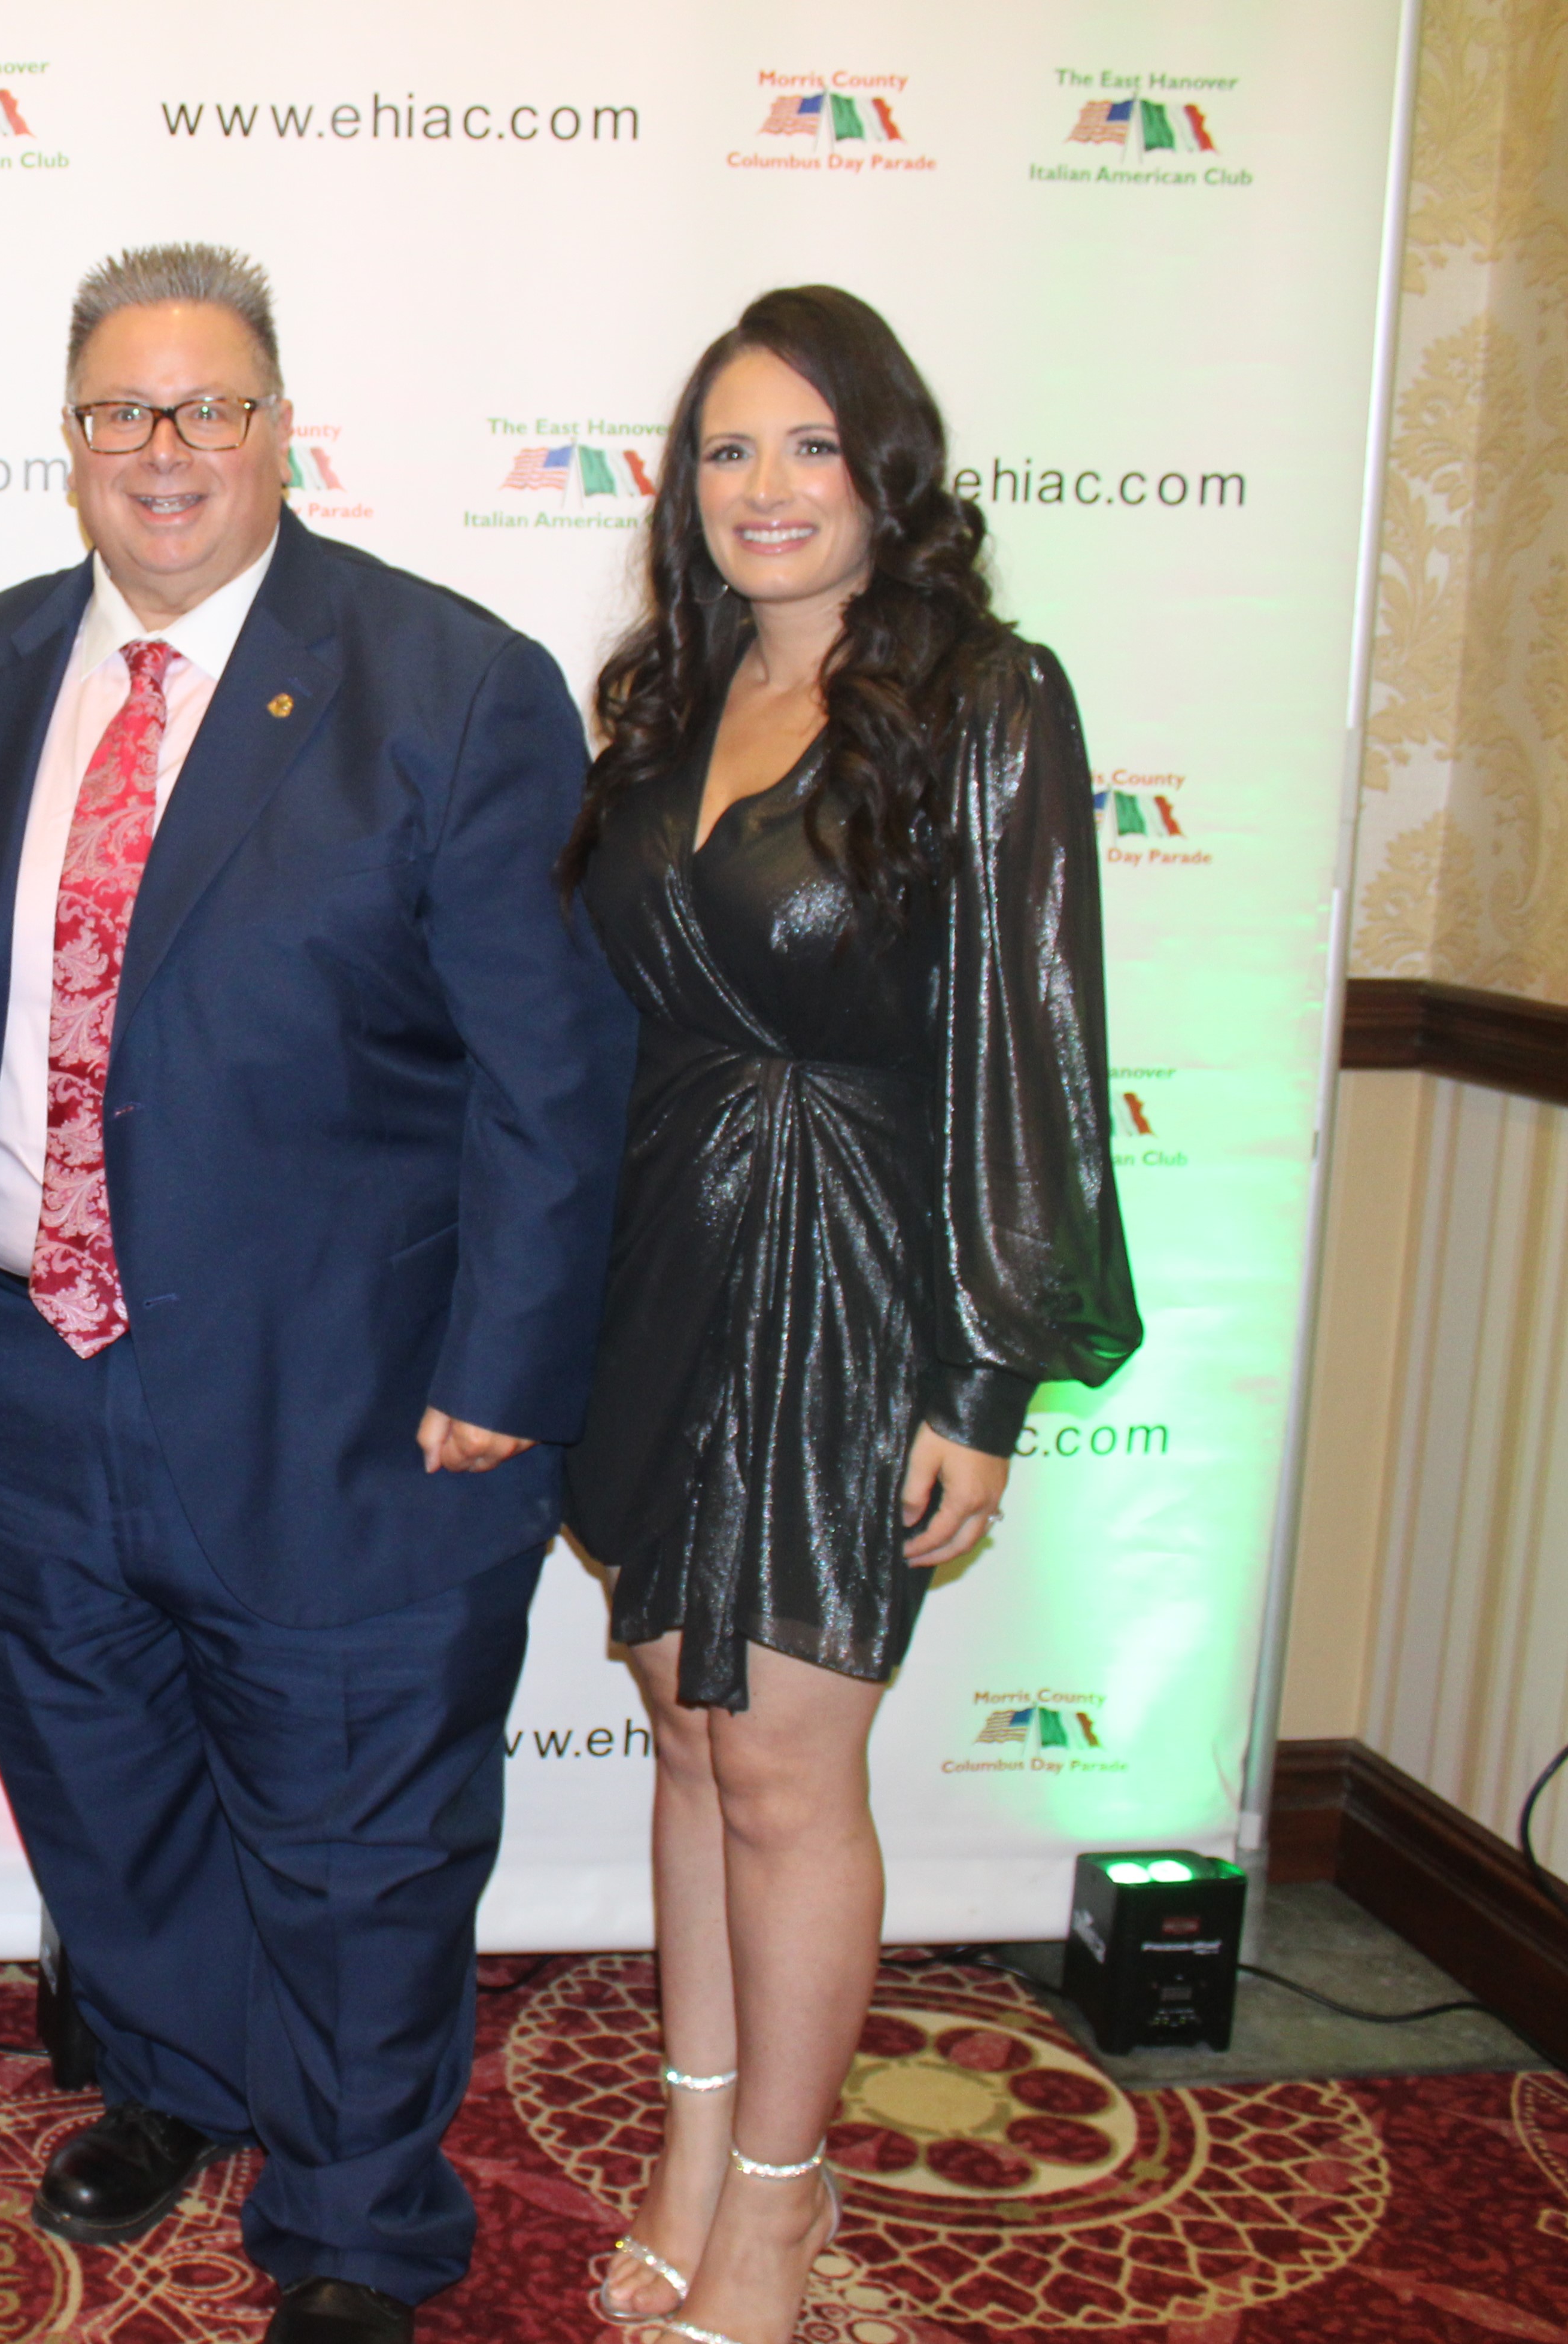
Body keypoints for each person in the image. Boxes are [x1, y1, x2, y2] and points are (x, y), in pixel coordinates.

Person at [0, 245, 636, 2344]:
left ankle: (359, 2220)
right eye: (118, 411)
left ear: (281, 426)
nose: (163, 451)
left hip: (349, 1393)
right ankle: (180, 2081)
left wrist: (507, 1369)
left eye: (206, 406)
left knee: (358, 1841)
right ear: (67, 441)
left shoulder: (447, 683)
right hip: (23, 1368)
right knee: (101, 1790)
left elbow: (551, 1071)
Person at [560, 286, 1142, 2344]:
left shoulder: (983, 699)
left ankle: (781, 2205)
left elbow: (1031, 1037)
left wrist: (979, 1373)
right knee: (685, 1737)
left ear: (885, 472)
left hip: (855, 1276)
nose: (764, 487)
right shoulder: (665, 700)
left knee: (788, 1773)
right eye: (726, 449)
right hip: (663, 1260)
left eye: (808, 444)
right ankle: (694, 2142)